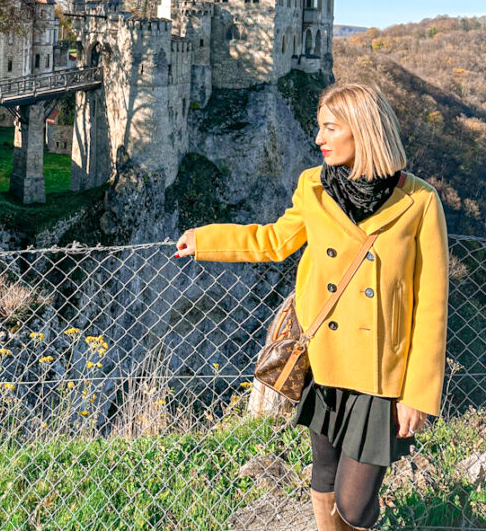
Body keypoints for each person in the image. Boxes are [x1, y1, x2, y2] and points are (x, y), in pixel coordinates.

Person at [175, 82, 449, 531]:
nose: (319, 139)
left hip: (381, 378)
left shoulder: (419, 202)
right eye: (319, 128)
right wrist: (205, 240)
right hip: (324, 363)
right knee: (322, 474)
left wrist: (418, 394)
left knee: (356, 503)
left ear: (362, 130)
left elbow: (432, 305)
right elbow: (272, 240)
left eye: (329, 128)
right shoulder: (314, 187)